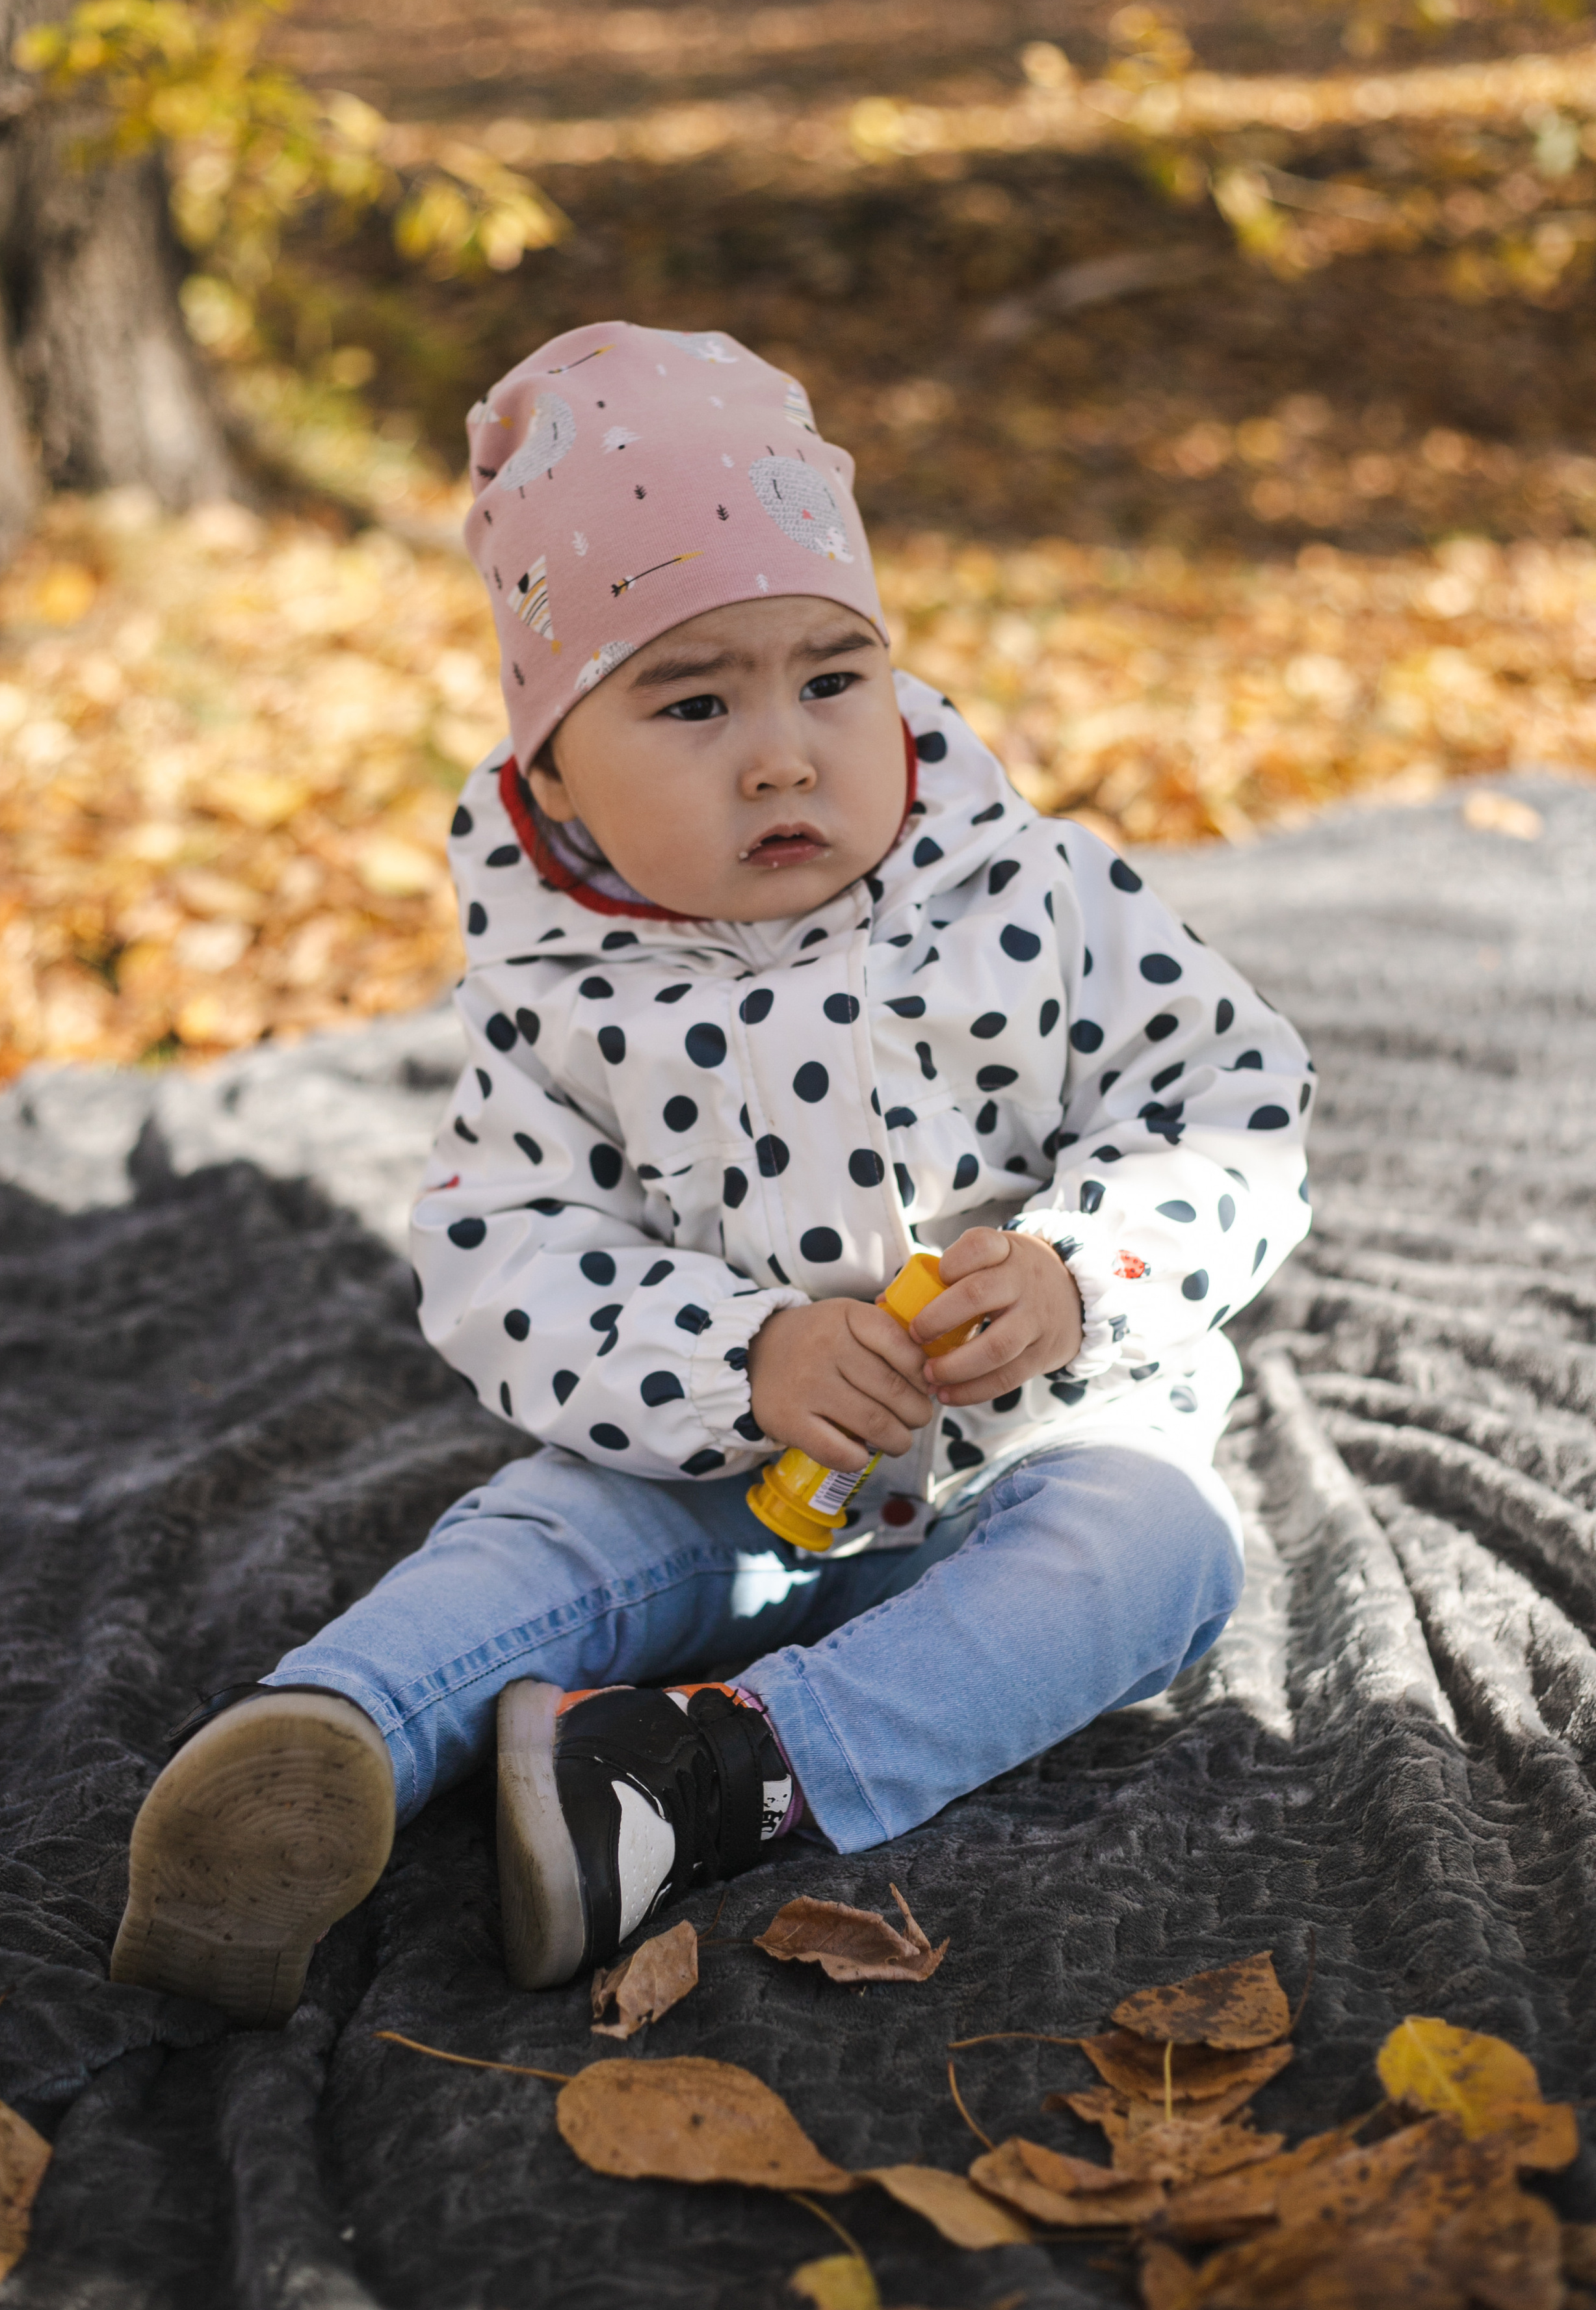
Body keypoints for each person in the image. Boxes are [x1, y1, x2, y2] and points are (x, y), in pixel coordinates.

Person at [111, 322, 1313, 2027]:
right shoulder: (557, 996)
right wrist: (739, 1359)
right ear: (556, 771)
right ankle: (324, 1754)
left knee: (1165, 1557)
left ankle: (700, 1780)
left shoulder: (1041, 900)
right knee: (531, 1537)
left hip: (1032, 1449)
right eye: (694, 700)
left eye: (833, 679)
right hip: (714, 1476)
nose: (783, 753)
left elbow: (1231, 1103)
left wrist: (1081, 1273)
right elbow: (508, 1253)